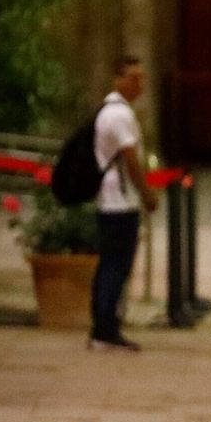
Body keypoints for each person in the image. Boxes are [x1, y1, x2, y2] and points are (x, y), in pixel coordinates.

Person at [88, 56, 158, 352]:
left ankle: (104, 327)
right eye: (133, 78)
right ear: (118, 79)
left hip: (113, 199)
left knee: (112, 265)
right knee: (116, 266)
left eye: (142, 78)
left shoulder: (113, 111)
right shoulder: (118, 115)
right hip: (119, 201)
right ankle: (105, 329)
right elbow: (130, 158)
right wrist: (146, 193)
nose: (139, 84)